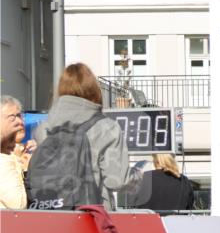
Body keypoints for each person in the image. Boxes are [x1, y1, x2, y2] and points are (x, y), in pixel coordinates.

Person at [29, 63, 141, 209]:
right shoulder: (106, 127)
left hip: (51, 214)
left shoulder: (44, 128)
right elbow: (117, 181)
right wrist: (138, 175)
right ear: (93, 90)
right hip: (92, 216)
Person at [1, 96, 32, 209]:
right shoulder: (4, 158)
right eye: (12, 117)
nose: (20, 121)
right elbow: (18, 205)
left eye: (19, 116)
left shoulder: (27, 151)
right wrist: (24, 168)